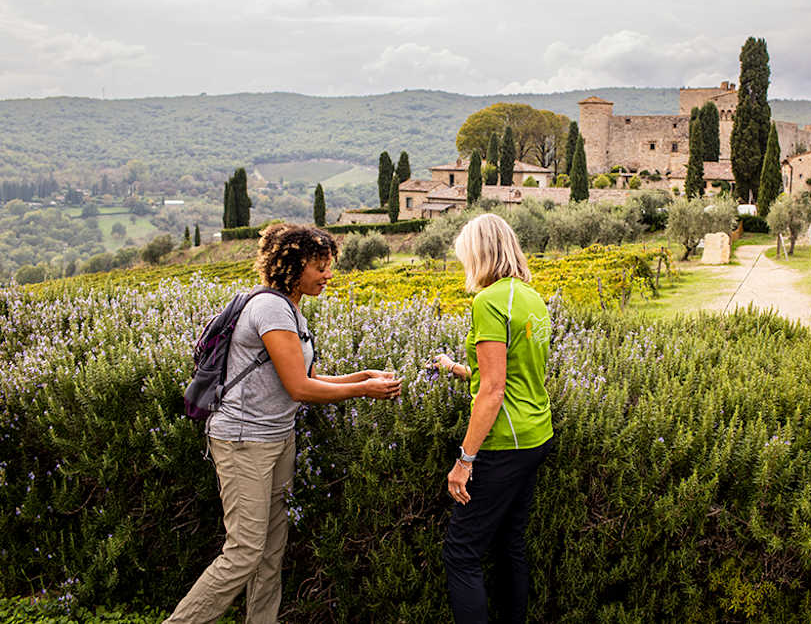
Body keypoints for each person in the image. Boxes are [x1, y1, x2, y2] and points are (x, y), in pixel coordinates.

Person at [165, 223, 402, 624]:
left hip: (276, 438)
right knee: (244, 552)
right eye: (321, 266)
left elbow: (302, 377)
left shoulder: (289, 307)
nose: (329, 274)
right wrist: (363, 393)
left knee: (270, 551)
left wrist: (360, 377)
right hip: (245, 441)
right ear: (294, 265)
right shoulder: (271, 308)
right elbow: (299, 388)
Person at [434, 213, 554, 624]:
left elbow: (494, 390)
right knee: (510, 543)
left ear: (479, 254)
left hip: (504, 441)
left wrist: (464, 461)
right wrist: (457, 368)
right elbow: (512, 374)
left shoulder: (487, 301)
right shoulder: (531, 297)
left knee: (461, 553)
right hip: (536, 434)